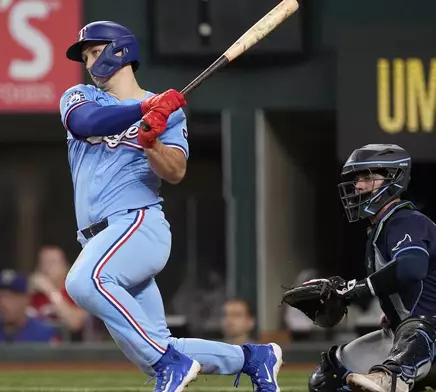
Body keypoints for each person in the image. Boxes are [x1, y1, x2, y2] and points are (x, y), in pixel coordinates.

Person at [59, 20, 282, 392]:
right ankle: (255, 358)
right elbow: (86, 123)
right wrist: (145, 108)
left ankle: (170, 365)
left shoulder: (169, 113)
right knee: (155, 347)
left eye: (95, 51)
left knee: (83, 282)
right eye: (85, 56)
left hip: (137, 225)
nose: (89, 62)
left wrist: (151, 143)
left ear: (121, 51)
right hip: (98, 240)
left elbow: (175, 170)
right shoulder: (81, 97)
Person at [305, 144, 436, 392]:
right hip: (409, 337)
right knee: (328, 380)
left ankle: (393, 377)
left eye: (368, 177)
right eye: (357, 179)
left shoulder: (405, 220)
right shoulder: (382, 227)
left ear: (394, 179)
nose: (359, 186)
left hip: (427, 335)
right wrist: (393, 313)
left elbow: (411, 269)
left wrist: (358, 289)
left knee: (416, 327)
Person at [0, 270, 59, 343]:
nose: (3, 303)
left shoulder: (44, 333)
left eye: (10, 297)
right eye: (0, 297)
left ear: (26, 300)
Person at [29, 245, 88, 337]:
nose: (47, 267)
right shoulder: (32, 294)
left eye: (53, 262)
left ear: (66, 267)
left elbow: (75, 324)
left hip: (63, 348)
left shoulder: (74, 292)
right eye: (43, 262)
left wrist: (50, 291)